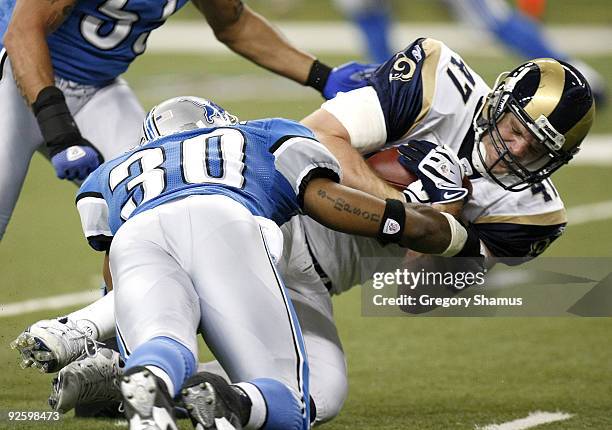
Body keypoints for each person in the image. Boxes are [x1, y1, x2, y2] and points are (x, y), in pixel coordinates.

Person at [12, 37, 595, 425]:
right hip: (276, 213)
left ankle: (172, 391)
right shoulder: (437, 80)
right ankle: (81, 330)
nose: (512, 149)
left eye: (533, 149)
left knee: (326, 391)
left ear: (555, 162)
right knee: (204, 258)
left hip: (314, 284)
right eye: (516, 128)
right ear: (497, 101)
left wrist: (447, 232)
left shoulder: (534, 213)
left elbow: (416, 298)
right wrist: (403, 208)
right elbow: (319, 138)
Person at [16, 95, 464, 429]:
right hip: (235, 230)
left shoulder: (112, 172)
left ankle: (124, 358)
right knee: (305, 395)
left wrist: (121, 335)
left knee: (163, 337)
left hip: (138, 237)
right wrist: (403, 223)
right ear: (219, 123)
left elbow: (114, 269)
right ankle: (228, 399)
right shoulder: (258, 133)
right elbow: (324, 199)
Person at [0, 0, 371, 241]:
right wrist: (60, 132)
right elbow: (22, 30)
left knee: (168, 204)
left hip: (97, 89)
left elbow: (234, 22)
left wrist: (322, 76)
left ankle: (124, 346)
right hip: (12, 75)